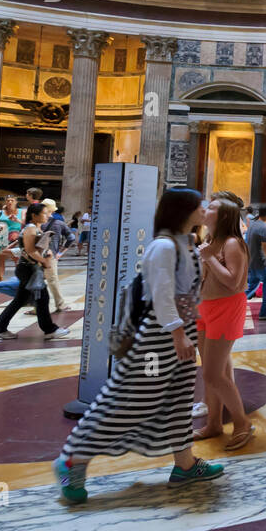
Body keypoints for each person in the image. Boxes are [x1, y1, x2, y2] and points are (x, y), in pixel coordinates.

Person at [53, 188, 224, 503]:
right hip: (159, 337)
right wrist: (177, 333)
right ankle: (71, 459)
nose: (204, 210)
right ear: (184, 210)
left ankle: (185, 464)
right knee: (129, 402)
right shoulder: (164, 246)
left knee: (179, 399)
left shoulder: (187, 244)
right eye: (200, 205)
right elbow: (161, 294)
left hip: (180, 332)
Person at [193, 197, 256, 450]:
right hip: (204, 308)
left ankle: (242, 423)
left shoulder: (232, 243)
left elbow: (234, 282)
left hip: (226, 308)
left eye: (211, 208)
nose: (205, 210)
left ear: (223, 217)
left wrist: (208, 258)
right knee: (210, 371)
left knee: (212, 373)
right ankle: (213, 423)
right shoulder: (209, 240)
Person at [0, 202, 71, 340]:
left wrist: (46, 253)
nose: (48, 216)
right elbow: (30, 250)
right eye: (45, 213)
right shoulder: (31, 229)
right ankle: (49, 329)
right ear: (34, 215)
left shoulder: (35, 228)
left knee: (20, 300)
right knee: (42, 298)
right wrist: (44, 261)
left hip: (30, 268)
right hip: (29, 269)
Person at [39, 199, 77, 313]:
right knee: (53, 280)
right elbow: (71, 238)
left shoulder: (37, 222)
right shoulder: (58, 223)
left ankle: (36, 307)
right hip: (50, 255)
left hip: (36, 255)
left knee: (36, 281)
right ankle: (60, 304)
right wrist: (61, 252)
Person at [244, 204, 266, 322]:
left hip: (252, 262)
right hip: (263, 263)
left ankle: (234, 303)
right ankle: (265, 312)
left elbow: (257, 241)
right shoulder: (265, 227)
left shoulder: (254, 224)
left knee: (251, 287)